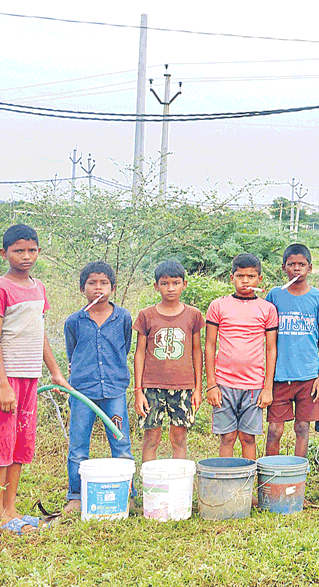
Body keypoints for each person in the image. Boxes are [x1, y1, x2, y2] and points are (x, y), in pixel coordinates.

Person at [0, 224, 68, 532]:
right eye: (18, 251)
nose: (26, 256)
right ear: (4, 254)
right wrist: (2, 384)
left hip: (30, 378)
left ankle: (10, 509)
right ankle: (3, 515)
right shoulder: (3, 288)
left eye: (32, 250)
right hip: (7, 378)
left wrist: (55, 371)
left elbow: (39, 335)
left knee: (19, 446)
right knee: (2, 447)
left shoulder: (39, 288)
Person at [63, 261, 133, 516]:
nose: (98, 288)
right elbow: (73, 354)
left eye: (104, 283)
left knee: (120, 442)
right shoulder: (74, 321)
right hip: (82, 391)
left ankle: (127, 492)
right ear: (83, 288)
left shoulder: (123, 317)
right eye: (92, 283)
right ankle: (76, 495)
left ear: (113, 287)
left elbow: (124, 347)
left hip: (114, 389)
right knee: (78, 444)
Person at [205, 253, 278, 459]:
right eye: (240, 276)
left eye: (251, 276)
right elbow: (210, 345)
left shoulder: (267, 309)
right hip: (224, 384)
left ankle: (246, 487)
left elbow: (271, 349)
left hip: (254, 385)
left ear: (259, 280)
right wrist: (212, 384)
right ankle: (227, 483)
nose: (245, 281)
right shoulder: (218, 306)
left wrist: (268, 388)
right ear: (231, 278)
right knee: (227, 437)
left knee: (248, 437)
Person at [264, 243, 319, 457]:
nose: (296, 269)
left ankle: (298, 473)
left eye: (301, 264)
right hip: (280, 376)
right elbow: (265, 335)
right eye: (291, 264)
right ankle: (270, 473)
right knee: (275, 429)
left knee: (303, 428)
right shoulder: (274, 295)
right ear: (284, 268)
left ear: (310, 268)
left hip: (308, 376)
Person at [133, 261, 204, 463]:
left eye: (176, 282)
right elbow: (139, 353)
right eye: (164, 283)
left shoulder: (193, 315)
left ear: (184, 284)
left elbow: (197, 352)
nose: (170, 288)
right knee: (151, 437)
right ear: (156, 286)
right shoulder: (146, 315)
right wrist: (138, 390)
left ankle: (178, 486)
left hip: (183, 386)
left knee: (179, 437)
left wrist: (198, 388)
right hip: (152, 387)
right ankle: (150, 487)